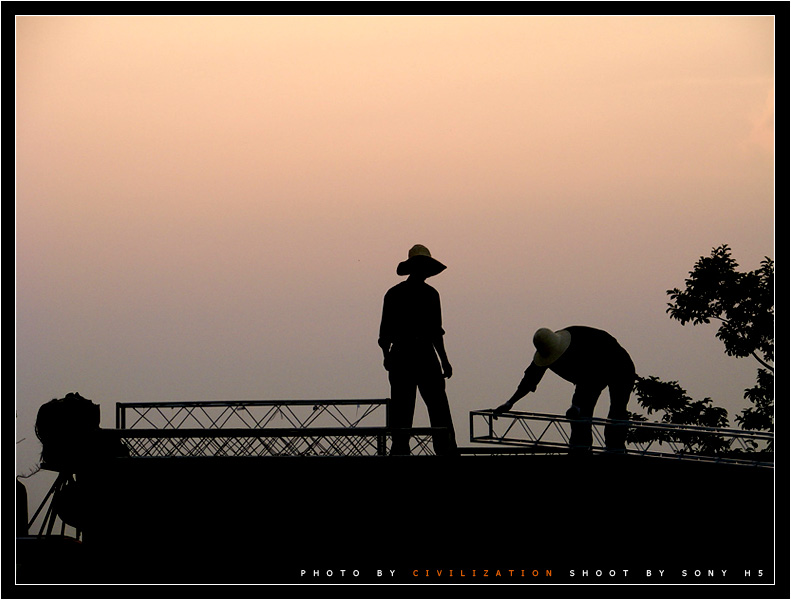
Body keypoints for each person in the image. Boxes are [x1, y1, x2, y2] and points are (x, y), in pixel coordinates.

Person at [493, 326, 635, 453]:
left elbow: (590, 380)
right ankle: (580, 449)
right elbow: (529, 380)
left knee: (617, 410)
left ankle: (615, 450)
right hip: (589, 374)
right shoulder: (547, 347)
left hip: (619, 365)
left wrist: (576, 406)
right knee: (580, 416)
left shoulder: (580, 346)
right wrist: (510, 402)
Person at [378, 245, 458, 456]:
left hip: (404, 356)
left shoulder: (395, 293)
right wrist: (444, 361)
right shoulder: (430, 294)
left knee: (403, 410)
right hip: (421, 355)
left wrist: (387, 356)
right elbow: (435, 334)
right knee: (436, 408)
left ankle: (402, 452)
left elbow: (384, 335)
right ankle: (445, 451)